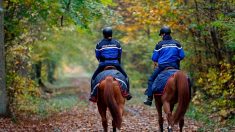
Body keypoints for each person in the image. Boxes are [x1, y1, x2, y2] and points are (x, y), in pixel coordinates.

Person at [143, 26, 185, 106]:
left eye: (161, 35)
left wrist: (161, 59)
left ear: (164, 34)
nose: (161, 36)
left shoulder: (159, 44)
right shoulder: (177, 43)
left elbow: (154, 58)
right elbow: (182, 56)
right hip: (175, 66)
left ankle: (149, 99)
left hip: (162, 66)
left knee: (151, 80)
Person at [89, 27, 132, 102]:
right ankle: (127, 92)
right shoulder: (117, 43)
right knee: (126, 77)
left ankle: (93, 95)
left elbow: (97, 55)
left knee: (93, 78)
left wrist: (101, 61)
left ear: (104, 34)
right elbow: (119, 53)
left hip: (103, 64)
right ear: (111, 33)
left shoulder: (99, 44)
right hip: (116, 64)